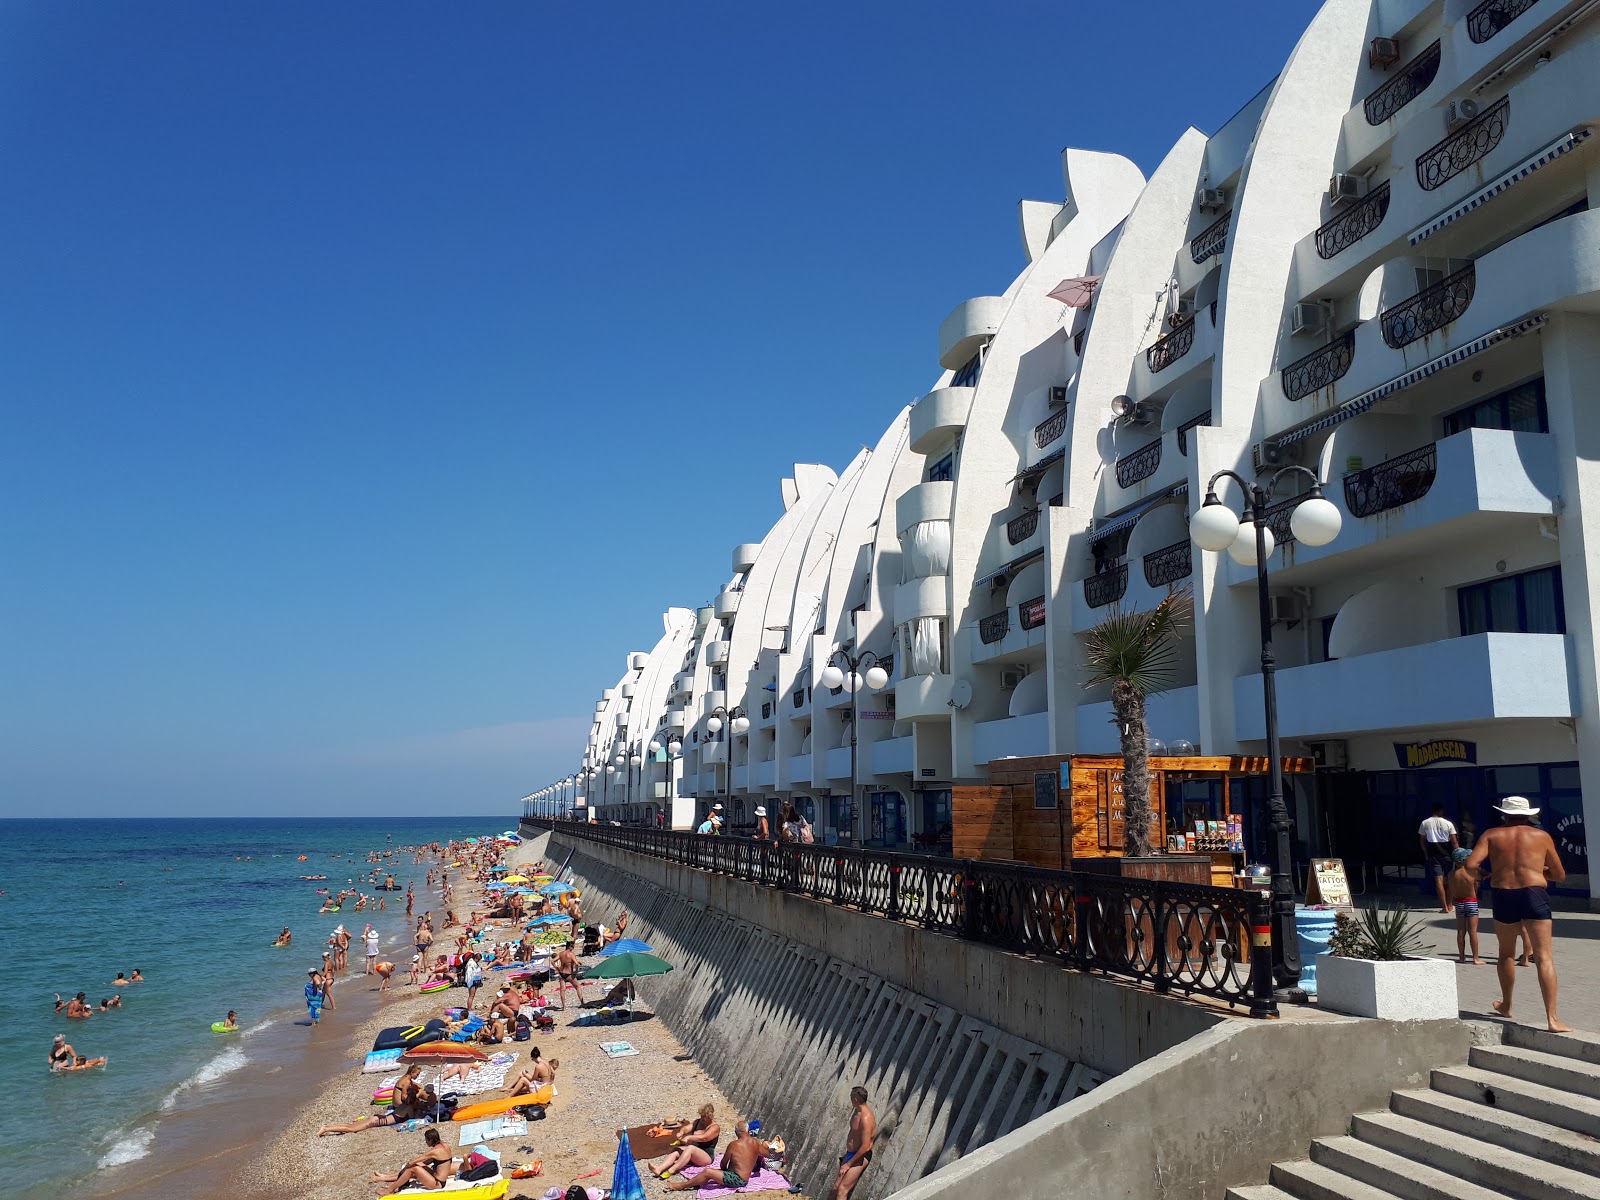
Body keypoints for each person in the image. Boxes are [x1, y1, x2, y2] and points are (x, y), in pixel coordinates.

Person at [1465, 795, 1570, 1032]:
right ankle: (1552, 1019)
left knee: (1506, 955)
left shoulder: (1491, 834)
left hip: (1504, 894)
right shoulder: (1541, 836)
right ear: (1529, 814)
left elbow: (1470, 865)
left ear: (1504, 814)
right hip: (1534, 893)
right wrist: (1537, 871)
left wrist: (1483, 876)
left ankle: (1507, 1005)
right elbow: (1560, 875)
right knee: (1544, 958)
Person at [667, 1120, 769, 1192]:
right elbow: (766, 1154)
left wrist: (725, 1172)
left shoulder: (734, 1145)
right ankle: (695, 1182)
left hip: (737, 1180)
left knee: (708, 1172)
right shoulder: (755, 1142)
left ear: (736, 1132)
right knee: (710, 1174)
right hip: (744, 1178)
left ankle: (680, 1186)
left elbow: (723, 1164)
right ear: (748, 1131)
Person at [370, 1127, 456, 1194]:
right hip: (438, 1178)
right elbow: (430, 1161)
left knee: (412, 1168)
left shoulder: (434, 1151)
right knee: (417, 1166)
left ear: (430, 1140)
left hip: (437, 1183)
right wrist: (420, 1166)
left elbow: (412, 1162)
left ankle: (389, 1189)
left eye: (426, 1140)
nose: (426, 1142)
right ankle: (385, 1177)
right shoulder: (445, 1146)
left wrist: (405, 1169)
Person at [649, 1103, 722, 1179]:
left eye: (705, 1117)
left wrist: (689, 1137)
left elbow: (704, 1138)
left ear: (710, 1116)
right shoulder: (698, 1122)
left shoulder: (715, 1127)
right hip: (694, 1152)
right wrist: (681, 1132)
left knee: (690, 1148)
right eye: (701, 1116)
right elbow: (686, 1128)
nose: (702, 1119)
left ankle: (671, 1170)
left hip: (706, 1156)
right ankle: (659, 1169)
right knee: (676, 1152)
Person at [830, 1086, 876, 1200]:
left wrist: (848, 1164)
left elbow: (865, 1146)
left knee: (842, 1191)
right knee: (835, 1188)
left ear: (855, 1099)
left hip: (860, 1156)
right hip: (851, 1153)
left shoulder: (866, 1118)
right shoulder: (857, 1110)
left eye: (851, 1097)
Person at [1418, 803, 1459, 914]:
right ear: (1441, 811)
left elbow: (1422, 841)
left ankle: (1444, 907)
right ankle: (1450, 905)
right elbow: (1454, 841)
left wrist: (1426, 853)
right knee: (1450, 879)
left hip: (1432, 854)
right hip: (1447, 854)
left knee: (1438, 880)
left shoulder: (1425, 823)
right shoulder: (1448, 823)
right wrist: (1458, 854)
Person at [1446, 848, 1484, 965]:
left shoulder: (1451, 875)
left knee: (1461, 930)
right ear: (1463, 860)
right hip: (1471, 901)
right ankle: (1475, 958)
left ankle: (1461, 957)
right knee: (1473, 931)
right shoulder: (1471, 873)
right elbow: (1476, 887)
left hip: (1459, 902)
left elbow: (1451, 890)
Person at [552, 940, 583, 1010]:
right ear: (571, 947)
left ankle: (563, 1006)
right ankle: (582, 1003)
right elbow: (576, 964)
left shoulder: (561, 953)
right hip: (569, 974)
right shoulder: (571, 954)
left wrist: (557, 968)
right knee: (578, 986)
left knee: (562, 990)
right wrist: (576, 971)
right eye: (573, 947)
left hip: (562, 973)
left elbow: (552, 961)